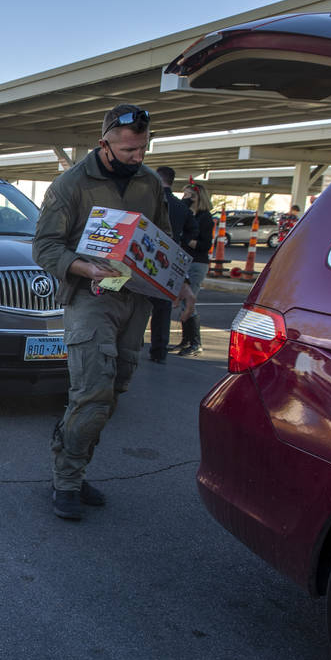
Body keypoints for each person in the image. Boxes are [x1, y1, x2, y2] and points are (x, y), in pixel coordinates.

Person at [32, 104, 194, 522]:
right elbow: (45, 246)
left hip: (134, 299)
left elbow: (164, 243)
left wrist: (182, 285)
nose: (138, 157)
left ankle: (75, 460)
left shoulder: (148, 184)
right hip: (90, 297)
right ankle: (66, 480)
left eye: (143, 148)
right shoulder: (71, 184)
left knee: (114, 390)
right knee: (91, 391)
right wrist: (86, 267)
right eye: (128, 151)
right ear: (104, 144)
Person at [147, 166, 198, 363]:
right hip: (168, 264)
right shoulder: (181, 207)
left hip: (146, 259)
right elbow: (193, 233)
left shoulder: (150, 203)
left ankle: (132, 346)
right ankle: (159, 351)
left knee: (139, 307)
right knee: (163, 309)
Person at [177, 181, 214, 357]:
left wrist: (186, 238)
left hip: (197, 263)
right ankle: (186, 340)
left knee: (189, 301)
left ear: (196, 197)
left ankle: (195, 343)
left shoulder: (205, 218)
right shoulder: (188, 215)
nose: (184, 198)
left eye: (187, 195)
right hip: (186, 260)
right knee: (182, 300)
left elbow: (205, 245)